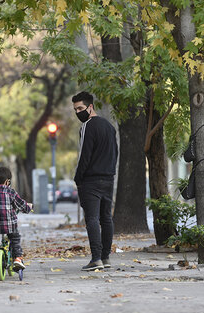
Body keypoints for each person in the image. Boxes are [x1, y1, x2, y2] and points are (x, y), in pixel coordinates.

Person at [72, 91, 118, 271]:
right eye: (75, 109)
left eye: (80, 108)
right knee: (106, 218)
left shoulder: (87, 126)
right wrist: (111, 171)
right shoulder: (109, 126)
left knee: (92, 218)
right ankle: (105, 258)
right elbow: (115, 152)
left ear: (90, 107)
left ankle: (96, 258)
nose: (78, 113)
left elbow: (84, 155)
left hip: (90, 181)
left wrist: (78, 178)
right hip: (108, 178)